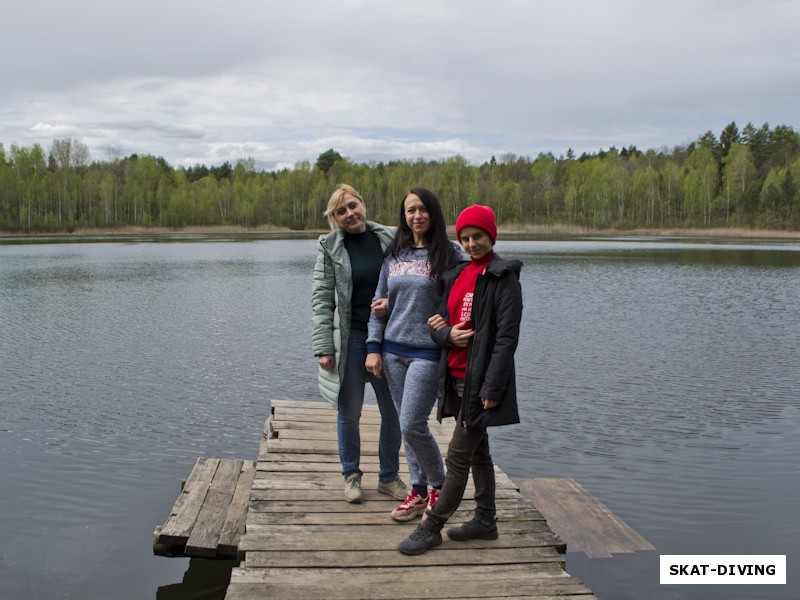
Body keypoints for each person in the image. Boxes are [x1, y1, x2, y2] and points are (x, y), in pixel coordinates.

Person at [397, 204, 523, 555]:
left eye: (478, 237)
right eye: (465, 238)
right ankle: (486, 520)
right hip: (454, 378)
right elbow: (437, 325)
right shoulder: (457, 275)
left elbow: (506, 339)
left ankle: (433, 525)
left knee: (457, 457)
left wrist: (493, 388)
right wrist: (447, 335)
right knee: (479, 453)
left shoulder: (503, 278)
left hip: (480, 384)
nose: (470, 244)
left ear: (491, 236)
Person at [366, 187, 462, 521]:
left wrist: (449, 319)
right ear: (403, 216)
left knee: (411, 424)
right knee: (406, 425)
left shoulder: (450, 253)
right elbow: (378, 303)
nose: (416, 215)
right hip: (392, 352)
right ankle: (418, 493)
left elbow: (467, 295)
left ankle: (440, 487)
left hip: (427, 351)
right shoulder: (395, 253)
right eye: (410, 210)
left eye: (422, 209)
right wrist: (373, 348)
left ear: (433, 213)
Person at [311, 184, 407, 504]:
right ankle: (351, 474)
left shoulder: (391, 238)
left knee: (392, 411)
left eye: (353, 206)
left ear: (363, 205)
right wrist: (324, 347)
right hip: (352, 336)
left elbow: (419, 269)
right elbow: (322, 301)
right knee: (349, 411)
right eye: (341, 211)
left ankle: (389, 478)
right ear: (335, 219)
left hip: (389, 335)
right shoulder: (329, 247)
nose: (349, 213)